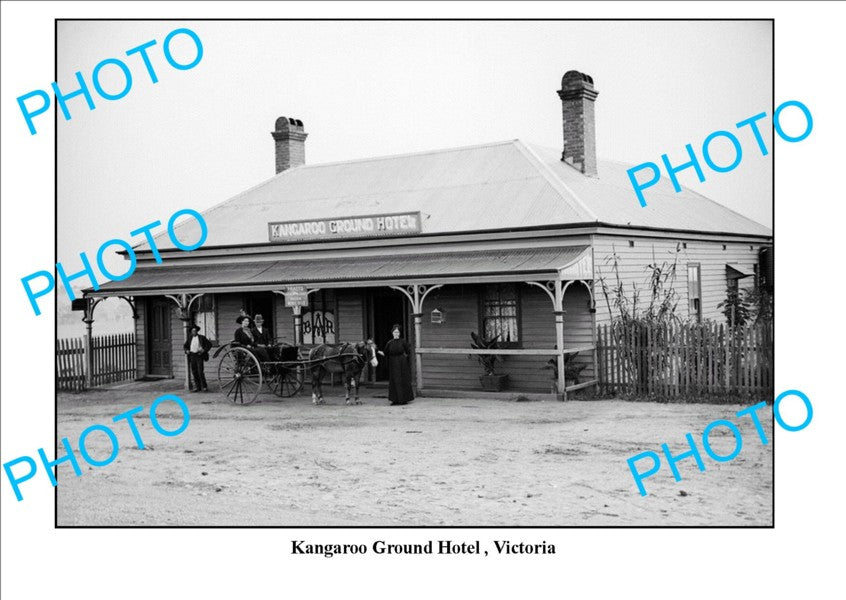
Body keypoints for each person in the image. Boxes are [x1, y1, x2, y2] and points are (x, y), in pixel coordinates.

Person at [383, 324, 414, 405]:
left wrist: (404, 359)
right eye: (394, 332)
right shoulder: (389, 342)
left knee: (402, 380)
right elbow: (385, 353)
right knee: (394, 380)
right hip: (393, 363)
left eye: (397, 332)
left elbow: (408, 351)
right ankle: (395, 400)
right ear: (392, 333)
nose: (396, 333)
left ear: (399, 333)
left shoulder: (403, 341)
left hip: (402, 363)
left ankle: (403, 399)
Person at [183, 324, 212, 392]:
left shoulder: (202, 338)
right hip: (192, 356)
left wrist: (204, 350)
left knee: (200, 371)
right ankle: (197, 387)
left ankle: (204, 386)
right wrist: (186, 350)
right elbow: (185, 346)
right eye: (193, 331)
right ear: (191, 332)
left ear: (197, 331)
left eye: (195, 331)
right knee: (194, 372)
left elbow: (209, 344)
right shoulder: (189, 338)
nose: (194, 332)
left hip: (199, 355)